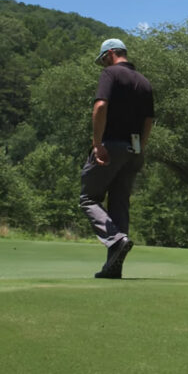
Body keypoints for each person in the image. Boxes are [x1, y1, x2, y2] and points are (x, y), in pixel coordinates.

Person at [79, 38, 154, 279]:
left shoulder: (111, 74)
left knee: (88, 198)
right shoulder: (144, 82)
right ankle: (114, 267)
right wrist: (140, 148)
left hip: (111, 146)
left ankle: (116, 239)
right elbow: (148, 121)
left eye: (103, 60)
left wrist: (97, 144)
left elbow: (100, 107)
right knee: (119, 202)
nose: (102, 65)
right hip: (134, 149)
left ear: (110, 53)